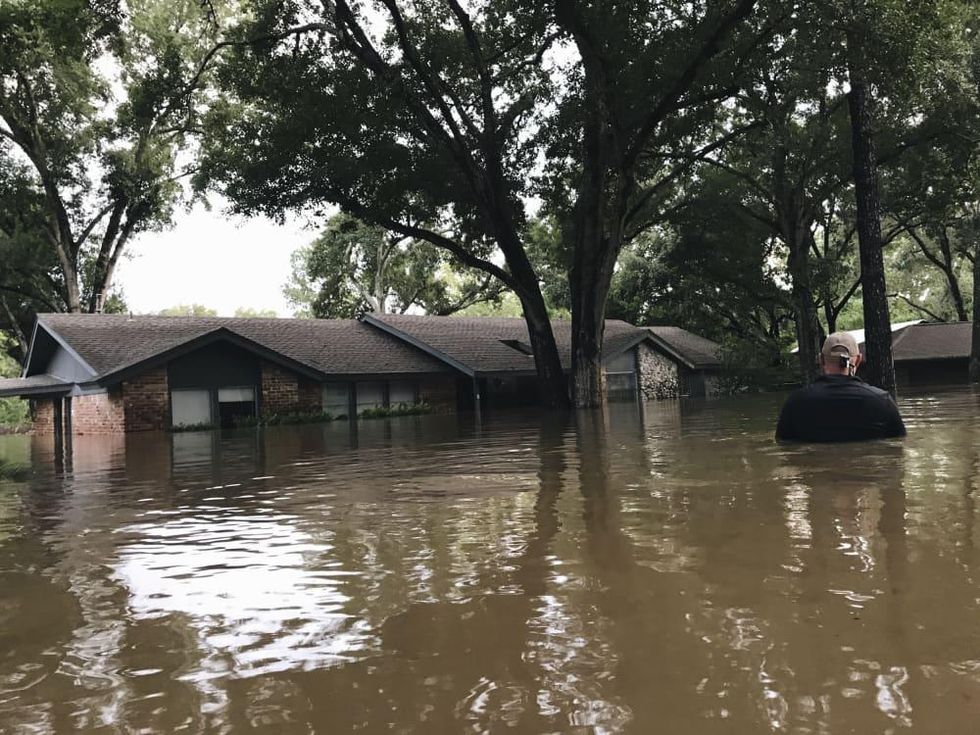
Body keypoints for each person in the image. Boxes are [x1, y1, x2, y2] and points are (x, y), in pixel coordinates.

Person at [776, 331, 906, 442]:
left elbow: (783, 444)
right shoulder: (883, 400)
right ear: (858, 360)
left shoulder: (796, 401)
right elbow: (898, 446)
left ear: (821, 360)